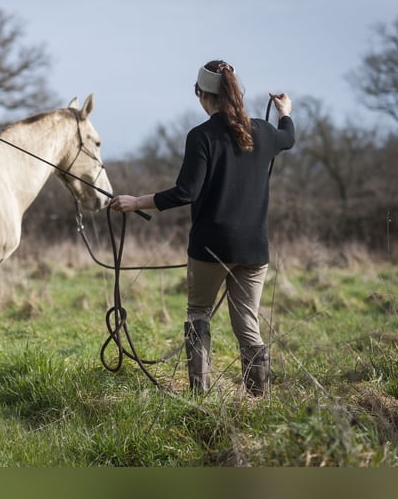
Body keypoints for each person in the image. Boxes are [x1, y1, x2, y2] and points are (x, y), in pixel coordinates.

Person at [110, 60, 295, 397]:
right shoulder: (264, 132)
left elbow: (185, 193)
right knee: (247, 324)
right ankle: (258, 399)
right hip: (255, 250)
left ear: (201, 95)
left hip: (210, 247)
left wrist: (135, 202)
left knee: (199, 315)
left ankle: (200, 396)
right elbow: (288, 138)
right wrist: (284, 111)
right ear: (236, 93)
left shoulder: (201, 136)